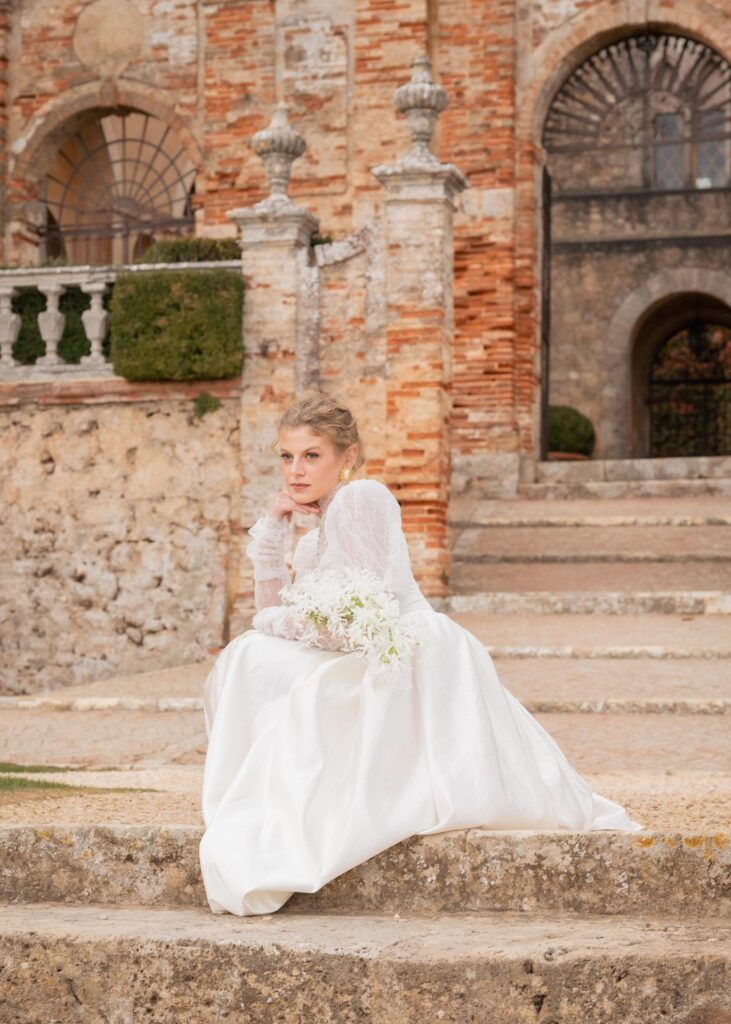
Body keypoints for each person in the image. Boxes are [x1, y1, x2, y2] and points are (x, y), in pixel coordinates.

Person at [199, 392, 642, 916]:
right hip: (364, 646)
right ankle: (261, 802)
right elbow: (275, 609)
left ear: (348, 457)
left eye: (312, 455)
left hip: (404, 650)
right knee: (252, 654)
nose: (296, 471)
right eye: (287, 456)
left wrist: (269, 622)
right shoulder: (315, 527)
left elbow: (367, 614)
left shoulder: (362, 498)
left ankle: (279, 806)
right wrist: (274, 527)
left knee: (254, 654)